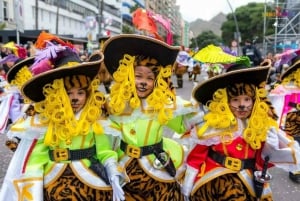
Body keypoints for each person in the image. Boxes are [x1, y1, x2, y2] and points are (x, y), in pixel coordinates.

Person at [0, 35, 125, 201]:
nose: (75, 98)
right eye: (69, 93)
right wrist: (33, 185)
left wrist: (112, 169)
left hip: (90, 182)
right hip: (54, 182)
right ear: (58, 94)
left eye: (80, 93)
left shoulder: (95, 117)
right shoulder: (47, 120)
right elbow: (37, 156)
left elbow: (104, 151)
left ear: (88, 94)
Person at [102, 34, 198, 201]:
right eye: (138, 76)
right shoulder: (113, 105)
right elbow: (104, 138)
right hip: (124, 166)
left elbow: (184, 125)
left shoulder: (162, 104)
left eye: (149, 78)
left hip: (157, 165)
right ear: (128, 77)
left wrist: (205, 114)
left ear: (157, 81)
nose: (143, 82)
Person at [182, 65, 300, 200]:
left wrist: (271, 148)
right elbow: (196, 156)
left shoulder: (261, 125)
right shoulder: (213, 126)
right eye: (235, 100)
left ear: (254, 101)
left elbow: (262, 162)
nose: (242, 105)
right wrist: (188, 185)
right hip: (217, 175)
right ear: (226, 101)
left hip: (249, 175)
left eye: (247, 99)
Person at [269, 55, 300, 184]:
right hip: (291, 121)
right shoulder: (284, 88)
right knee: (295, 146)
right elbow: (277, 106)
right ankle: (295, 171)